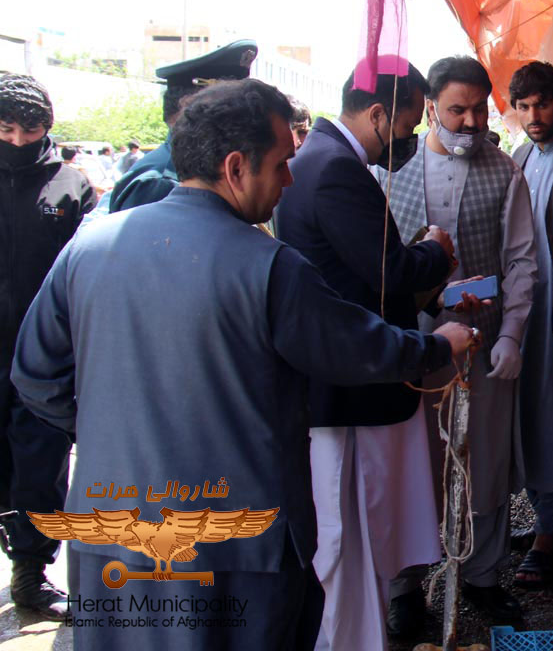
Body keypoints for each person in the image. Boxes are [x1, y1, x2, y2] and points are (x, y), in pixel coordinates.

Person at [10, 78, 476, 651]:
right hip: (235, 546)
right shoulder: (268, 267)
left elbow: (35, 375)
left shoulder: (88, 248)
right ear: (235, 167)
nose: (288, 179)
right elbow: (358, 348)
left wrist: (113, 434)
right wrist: (441, 344)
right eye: (282, 163)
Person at [275, 58, 467, 651]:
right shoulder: (334, 169)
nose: (408, 141)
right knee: (347, 539)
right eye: (408, 128)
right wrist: (435, 252)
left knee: (358, 535)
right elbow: (386, 273)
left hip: (354, 381)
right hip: (351, 389)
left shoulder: (325, 162)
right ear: (381, 113)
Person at [385, 56, 536, 629]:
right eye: (458, 110)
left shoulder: (505, 171)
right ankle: (404, 587)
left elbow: (522, 262)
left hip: (483, 344)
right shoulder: (389, 172)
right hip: (408, 348)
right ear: (430, 108)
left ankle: (482, 577)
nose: (472, 121)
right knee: (411, 464)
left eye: (479, 109)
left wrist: (514, 334)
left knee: (485, 463)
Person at [0, 74, 95, 620]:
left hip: (45, 358)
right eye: (6, 128)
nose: (16, 140)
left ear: (48, 126)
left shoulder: (71, 185)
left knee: (41, 469)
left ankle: (31, 575)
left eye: (29, 128)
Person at [505, 61, 553, 588]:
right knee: (528, 418)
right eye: (525, 106)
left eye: (544, 104)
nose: (534, 115)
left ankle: (551, 536)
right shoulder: (520, 157)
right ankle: (540, 518)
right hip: (523, 314)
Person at [110, 39, 258, 212]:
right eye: (226, 109)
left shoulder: (199, 169)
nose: (240, 120)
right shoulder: (158, 183)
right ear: (187, 109)